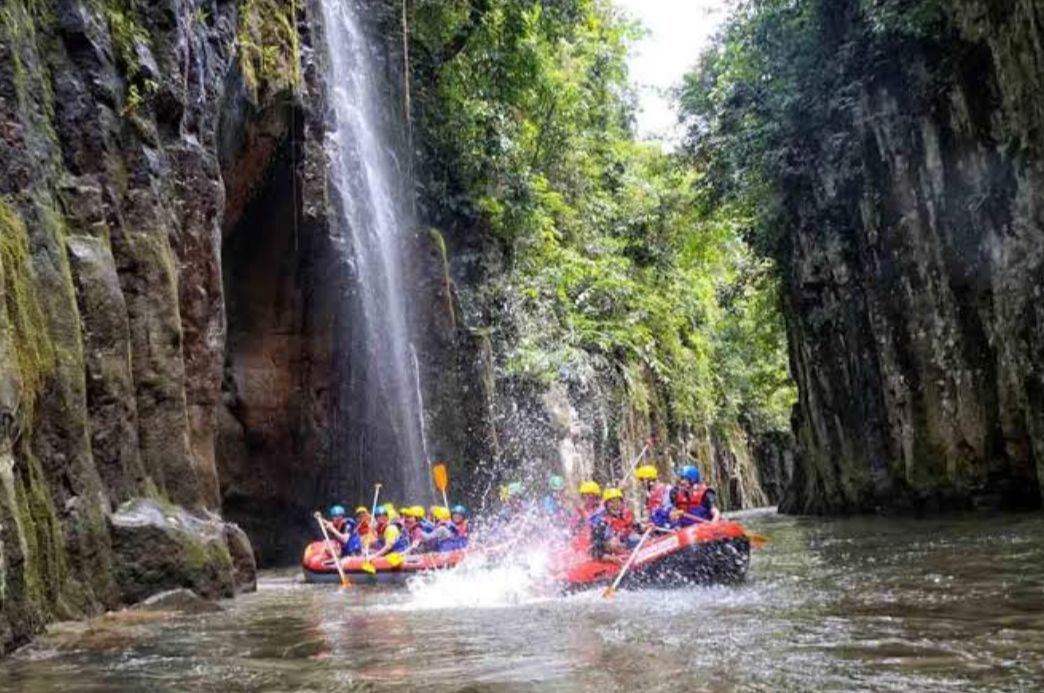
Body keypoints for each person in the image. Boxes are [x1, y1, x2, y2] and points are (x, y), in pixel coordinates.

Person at [589, 488, 642, 564]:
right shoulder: (601, 524)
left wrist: (645, 527)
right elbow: (594, 552)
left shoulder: (625, 516)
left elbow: (638, 528)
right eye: (612, 502)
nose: (615, 505)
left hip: (628, 547)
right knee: (614, 543)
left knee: (636, 538)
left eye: (618, 502)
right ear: (606, 505)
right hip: (611, 553)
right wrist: (613, 559)